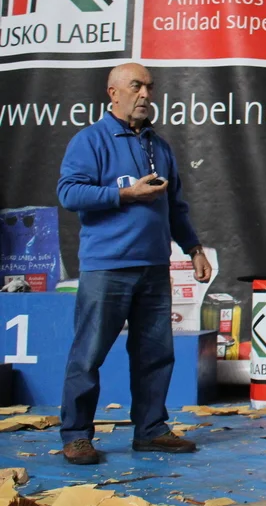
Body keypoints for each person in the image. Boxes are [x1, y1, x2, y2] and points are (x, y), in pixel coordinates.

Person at [56, 63, 211, 465]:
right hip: (107, 268)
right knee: (88, 356)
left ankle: (151, 430)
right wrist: (125, 194)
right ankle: (76, 435)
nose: (145, 94)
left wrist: (193, 248)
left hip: (154, 268)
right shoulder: (90, 140)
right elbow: (69, 193)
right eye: (136, 86)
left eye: (149, 87)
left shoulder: (159, 147)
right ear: (113, 93)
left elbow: (175, 206)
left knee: (155, 355)